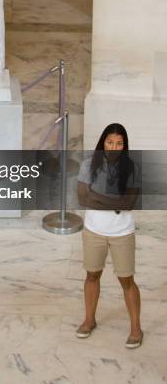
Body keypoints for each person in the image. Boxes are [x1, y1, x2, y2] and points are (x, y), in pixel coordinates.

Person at [76, 123, 143, 349]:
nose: (114, 147)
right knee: (92, 276)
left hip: (122, 233)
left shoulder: (132, 168)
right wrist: (115, 203)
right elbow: (82, 199)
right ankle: (89, 319)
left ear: (124, 146)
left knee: (127, 281)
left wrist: (98, 198)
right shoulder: (88, 165)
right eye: (110, 142)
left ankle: (136, 328)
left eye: (119, 143)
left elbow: (130, 204)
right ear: (103, 142)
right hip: (94, 230)